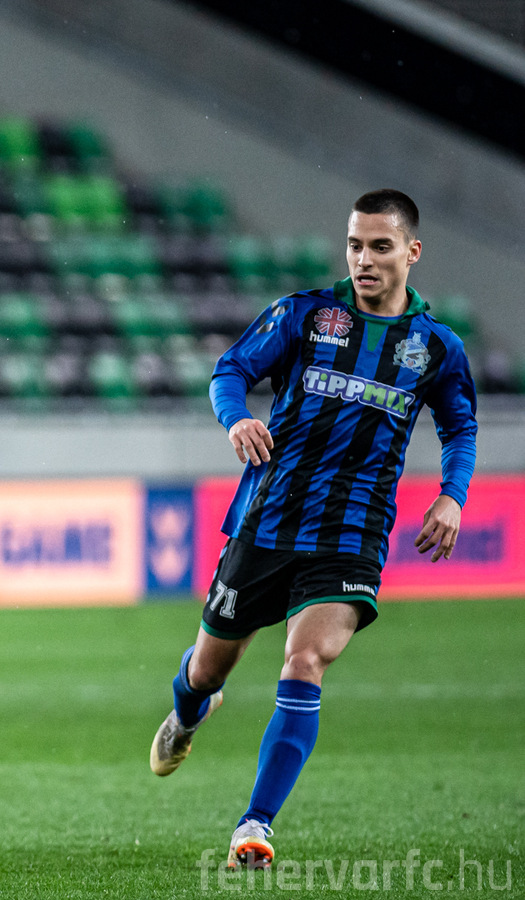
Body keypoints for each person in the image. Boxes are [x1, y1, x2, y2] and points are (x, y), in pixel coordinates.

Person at [148, 190, 477, 870]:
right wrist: (238, 417)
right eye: (355, 245)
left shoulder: (436, 348)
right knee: (207, 670)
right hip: (269, 519)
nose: (364, 259)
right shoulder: (306, 315)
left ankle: (255, 824)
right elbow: (231, 370)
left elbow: (459, 427)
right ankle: (187, 713)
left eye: (380, 246)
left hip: (351, 533)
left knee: (305, 662)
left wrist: (452, 496)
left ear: (412, 252)